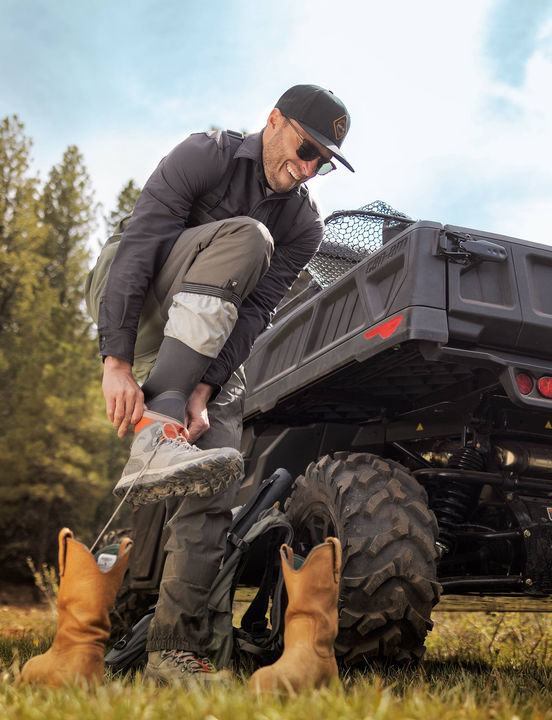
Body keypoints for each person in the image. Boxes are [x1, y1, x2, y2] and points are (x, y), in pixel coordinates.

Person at [95, 84, 354, 685]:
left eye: (322, 161)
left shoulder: (304, 226)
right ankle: (155, 424)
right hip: (142, 292)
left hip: (208, 338)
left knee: (220, 461)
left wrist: (203, 392)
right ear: (273, 120)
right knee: (247, 238)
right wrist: (116, 362)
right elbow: (137, 250)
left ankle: (175, 649)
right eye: (304, 146)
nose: (307, 166)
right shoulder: (204, 154)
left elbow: (255, 314)